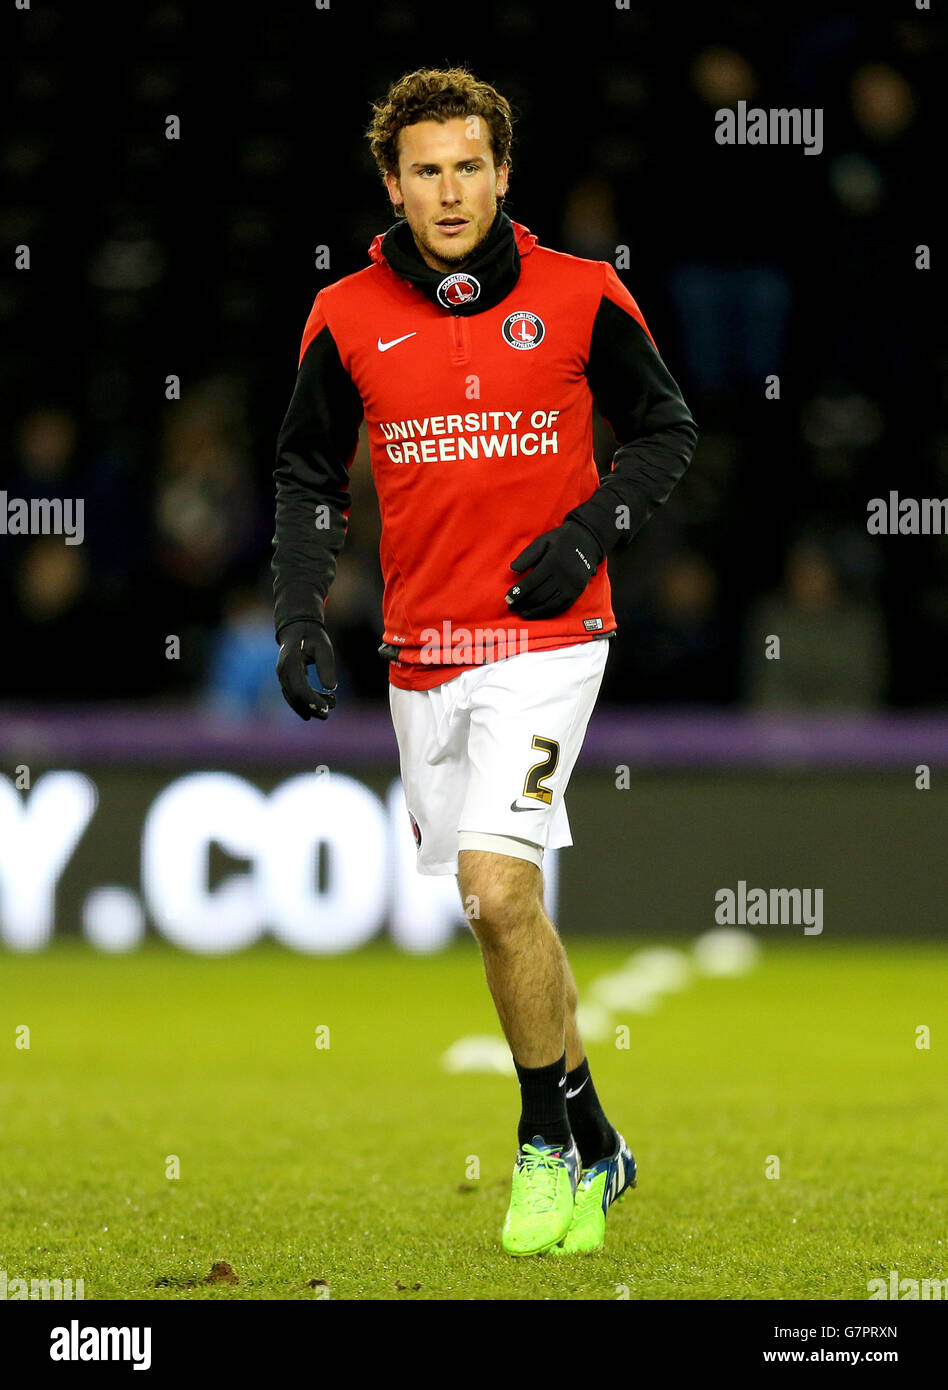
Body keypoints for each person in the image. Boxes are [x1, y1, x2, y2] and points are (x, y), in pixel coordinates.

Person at [271, 67, 698, 1256]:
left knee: (502, 888)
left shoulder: (580, 294)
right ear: (392, 185)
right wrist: (300, 613)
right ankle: (599, 1130)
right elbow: (308, 475)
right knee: (495, 911)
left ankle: (542, 1146)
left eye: (470, 166)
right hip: (425, 649)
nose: (450, 190)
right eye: (427, 170)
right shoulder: (343, 314)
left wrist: (586, 533)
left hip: (550, 638)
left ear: (504, 174)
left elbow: (668, 429)